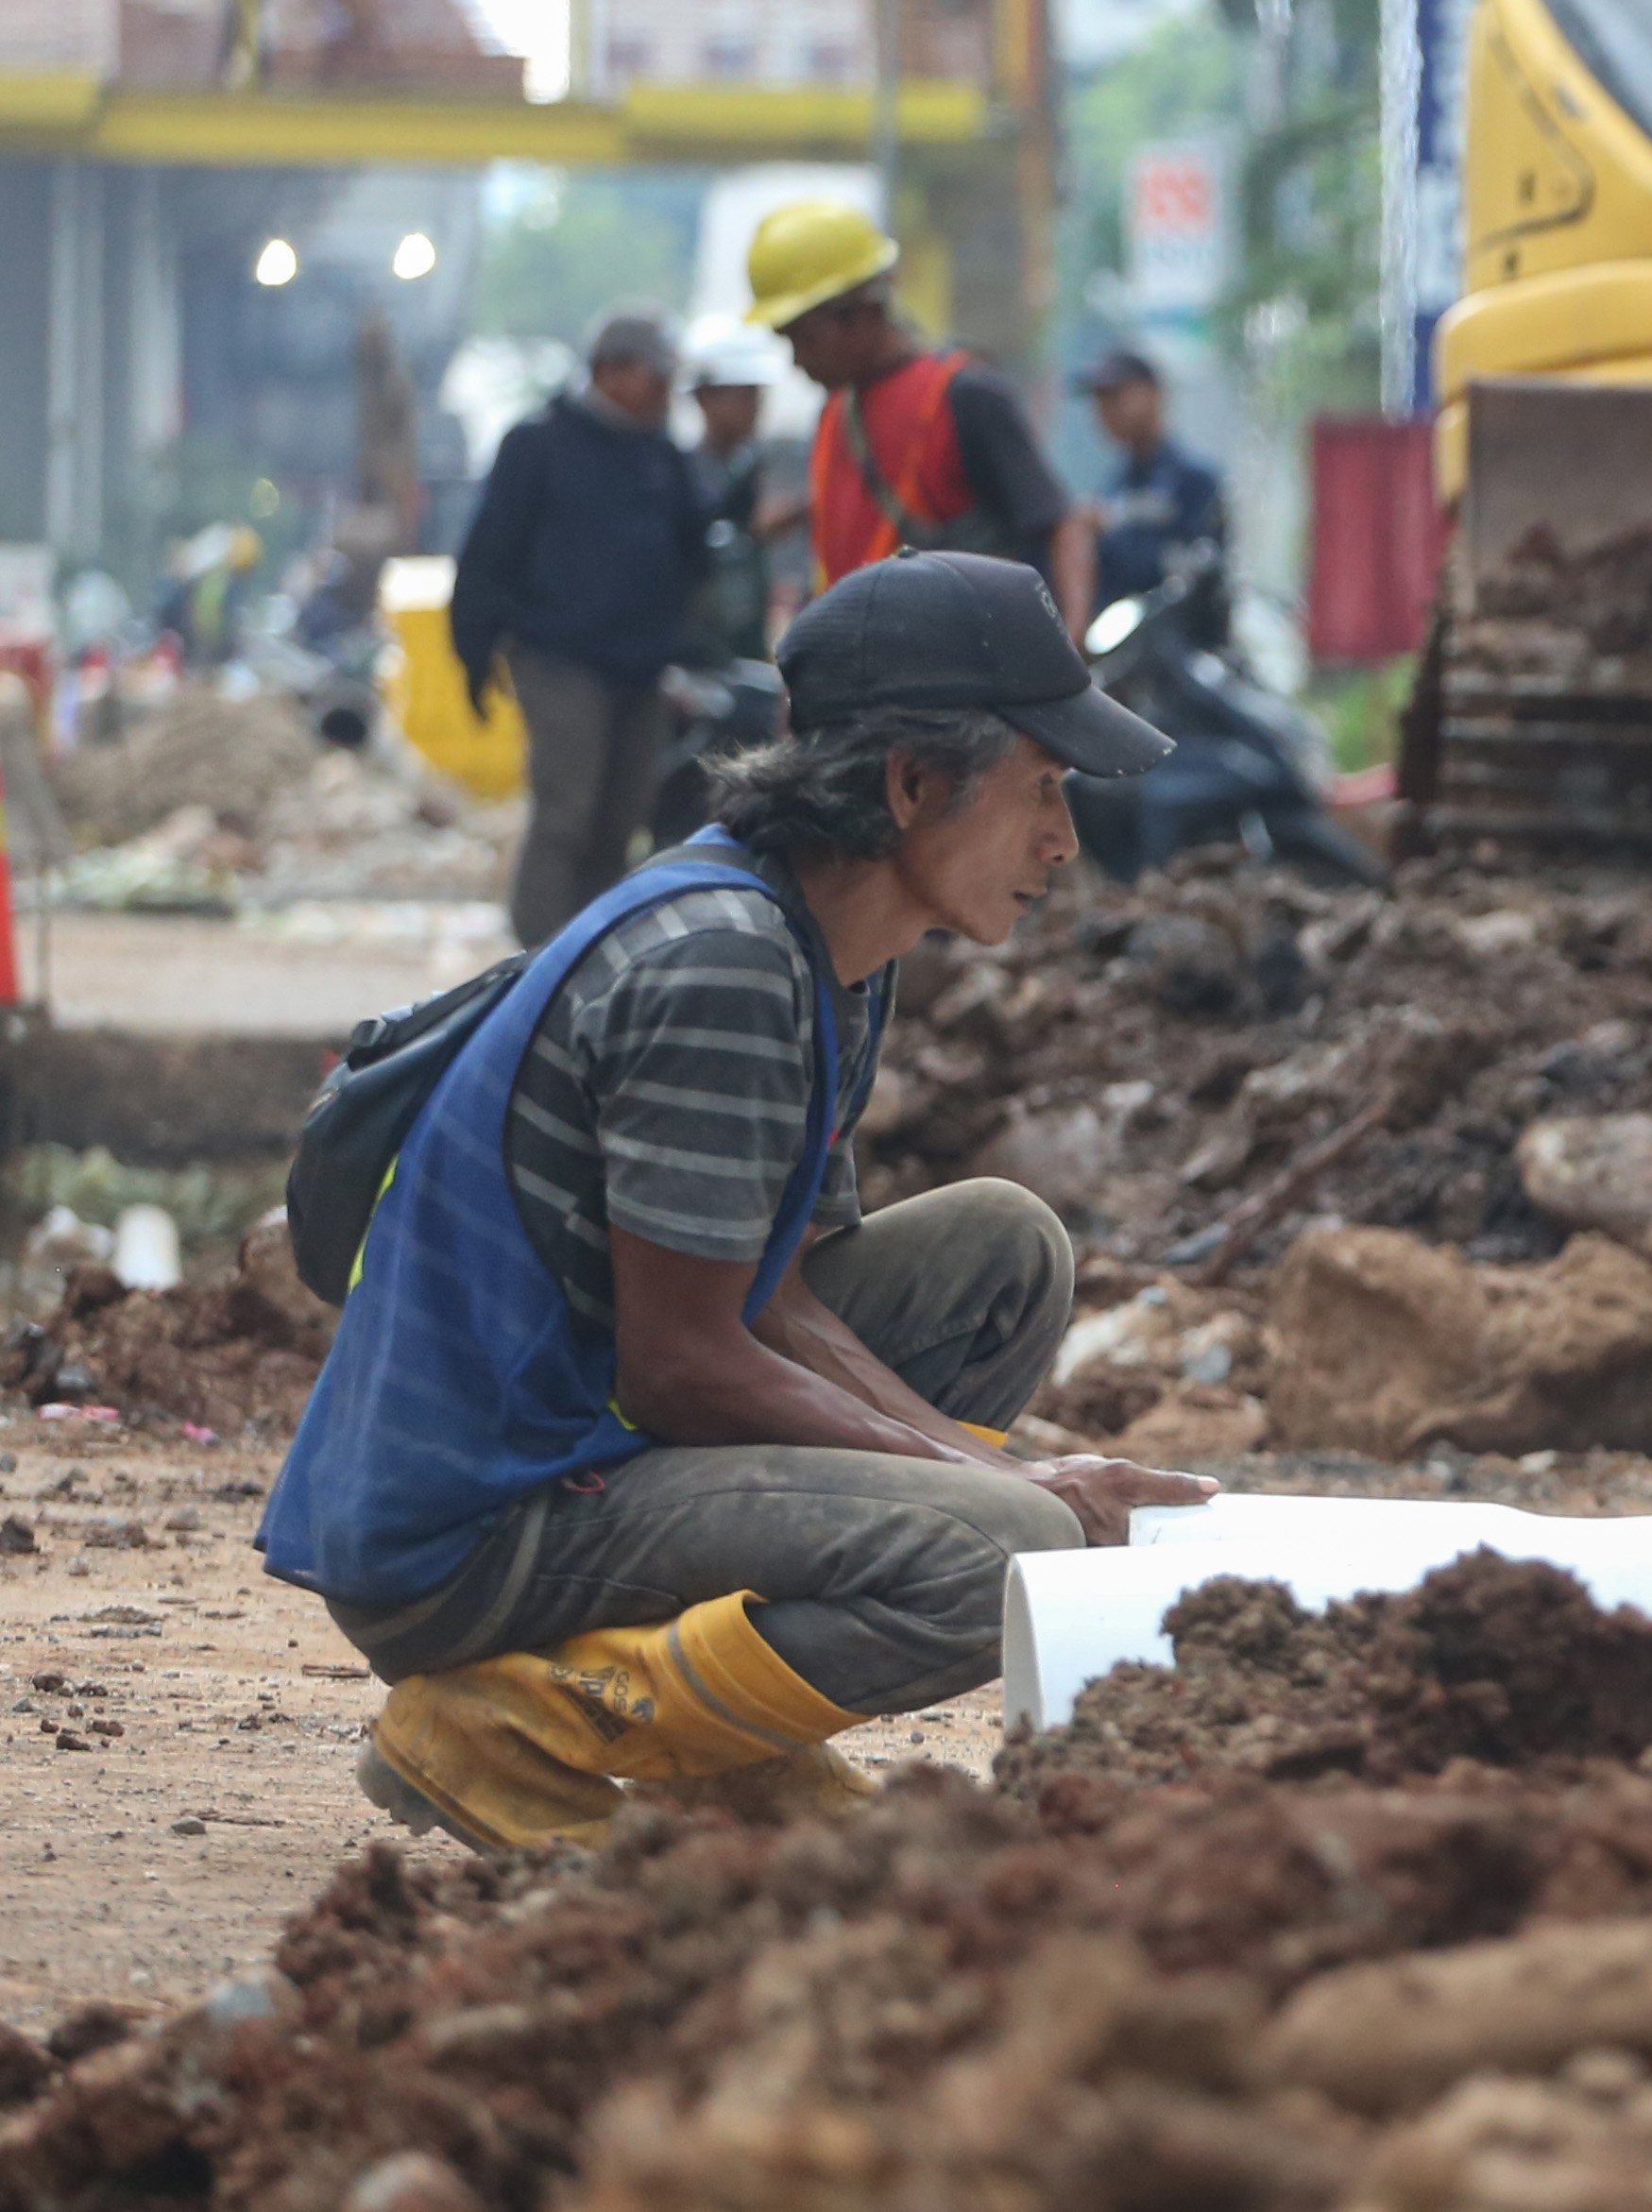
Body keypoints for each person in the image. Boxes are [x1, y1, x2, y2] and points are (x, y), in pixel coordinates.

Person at [258, 552, 1205, 1853]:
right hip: (476, 1532)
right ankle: (523, 1719)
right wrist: (1004, 1484)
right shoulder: (722, 964)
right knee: (998, 1553)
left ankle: (722, 1734)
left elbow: (780, 1292)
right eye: (1041, 786)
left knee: (1003, 1257)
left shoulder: (827, 948)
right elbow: (685, 1363)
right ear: (911, 783)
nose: (1062, 836)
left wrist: (991, 1460)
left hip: (582, 1437)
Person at [453, 308, 707, 946]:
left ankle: (594, 955)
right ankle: (537, 956)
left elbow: (690, 551)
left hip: (640, 666)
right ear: (611, 371)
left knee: (619, 822)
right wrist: (475, 653)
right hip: (559, 658)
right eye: (656, 377)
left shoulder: (660, 457)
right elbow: (489, 551)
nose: (664, 393)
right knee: (566, 812)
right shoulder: (539, 445)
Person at [745, 198, 1097, 630]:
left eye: (805, 338)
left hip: (954, 682)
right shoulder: (834, 414)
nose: (797, 360)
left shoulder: (962, 396)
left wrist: (1073, 648)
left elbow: (1060, 524)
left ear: (862, 311)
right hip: (856, 684)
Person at [1078, 347, 1229, 638]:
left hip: (1182, 645)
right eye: (1098, 401)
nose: (1104, 412)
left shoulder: (1193, 479)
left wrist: (1113, 532)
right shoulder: (1116, 483)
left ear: (1153, 394)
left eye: (1115, 397)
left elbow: (1200, 568)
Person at [685, 349, 792, 666]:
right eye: (743, 396)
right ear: (706, 399)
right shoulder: (684, 470)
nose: (754, 408)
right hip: (700, 634)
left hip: (746, 625)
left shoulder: (751, 465)